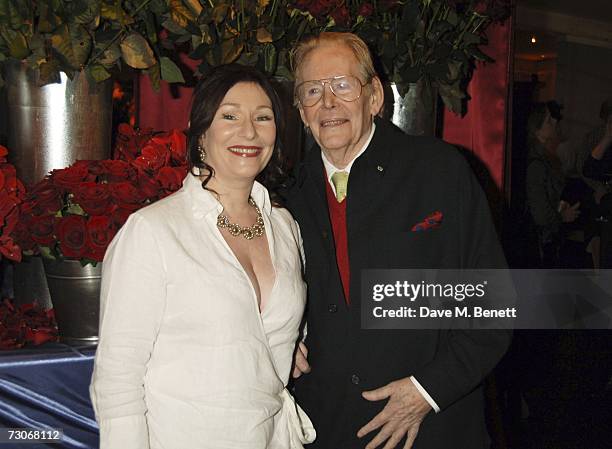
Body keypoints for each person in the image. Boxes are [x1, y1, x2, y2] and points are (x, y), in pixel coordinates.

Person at [285, 32, 511, 449]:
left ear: (374, 96)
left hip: (432, 429)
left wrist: (428, 391)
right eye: (312, 90)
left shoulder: (440, 171)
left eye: (342, 85)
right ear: (300, 110)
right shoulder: (284, 196)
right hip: (327, 428)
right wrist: (283, 336)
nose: (328, 102)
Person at [90, 64, 315, 449]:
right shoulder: (154, 231)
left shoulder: (284, 226)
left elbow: (277, 319)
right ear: (201, 130)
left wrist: (289, 341)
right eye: (230, 116)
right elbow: (117, 379)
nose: (249, 131)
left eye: (263, 117)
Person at [525, 101, 585, 268]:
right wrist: (562, 216)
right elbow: (540, 214)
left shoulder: (546, 158)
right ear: (538, 130)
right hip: (541, 243)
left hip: (549, 238)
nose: (555, 123)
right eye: (548, 121)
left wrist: (560, 206)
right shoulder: (537, 165)